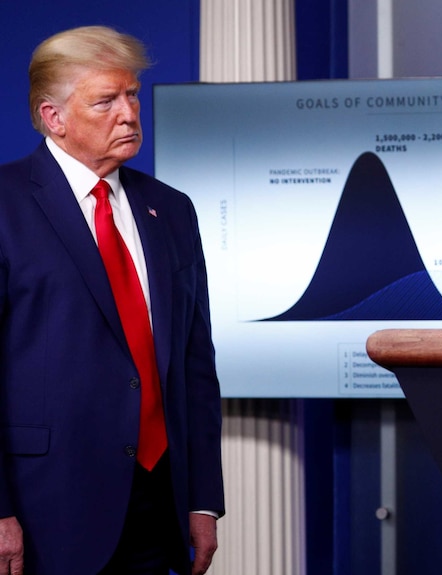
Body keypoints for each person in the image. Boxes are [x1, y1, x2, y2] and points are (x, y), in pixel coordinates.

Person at [0, 26, 224, 575]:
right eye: (106, 100)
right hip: (43, 508)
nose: (128, 113)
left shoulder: (171, 210)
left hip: (157, 503)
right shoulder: (5, 206)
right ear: (54, 117)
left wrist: (202, 498)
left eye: (132, 95)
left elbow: (196, 363)